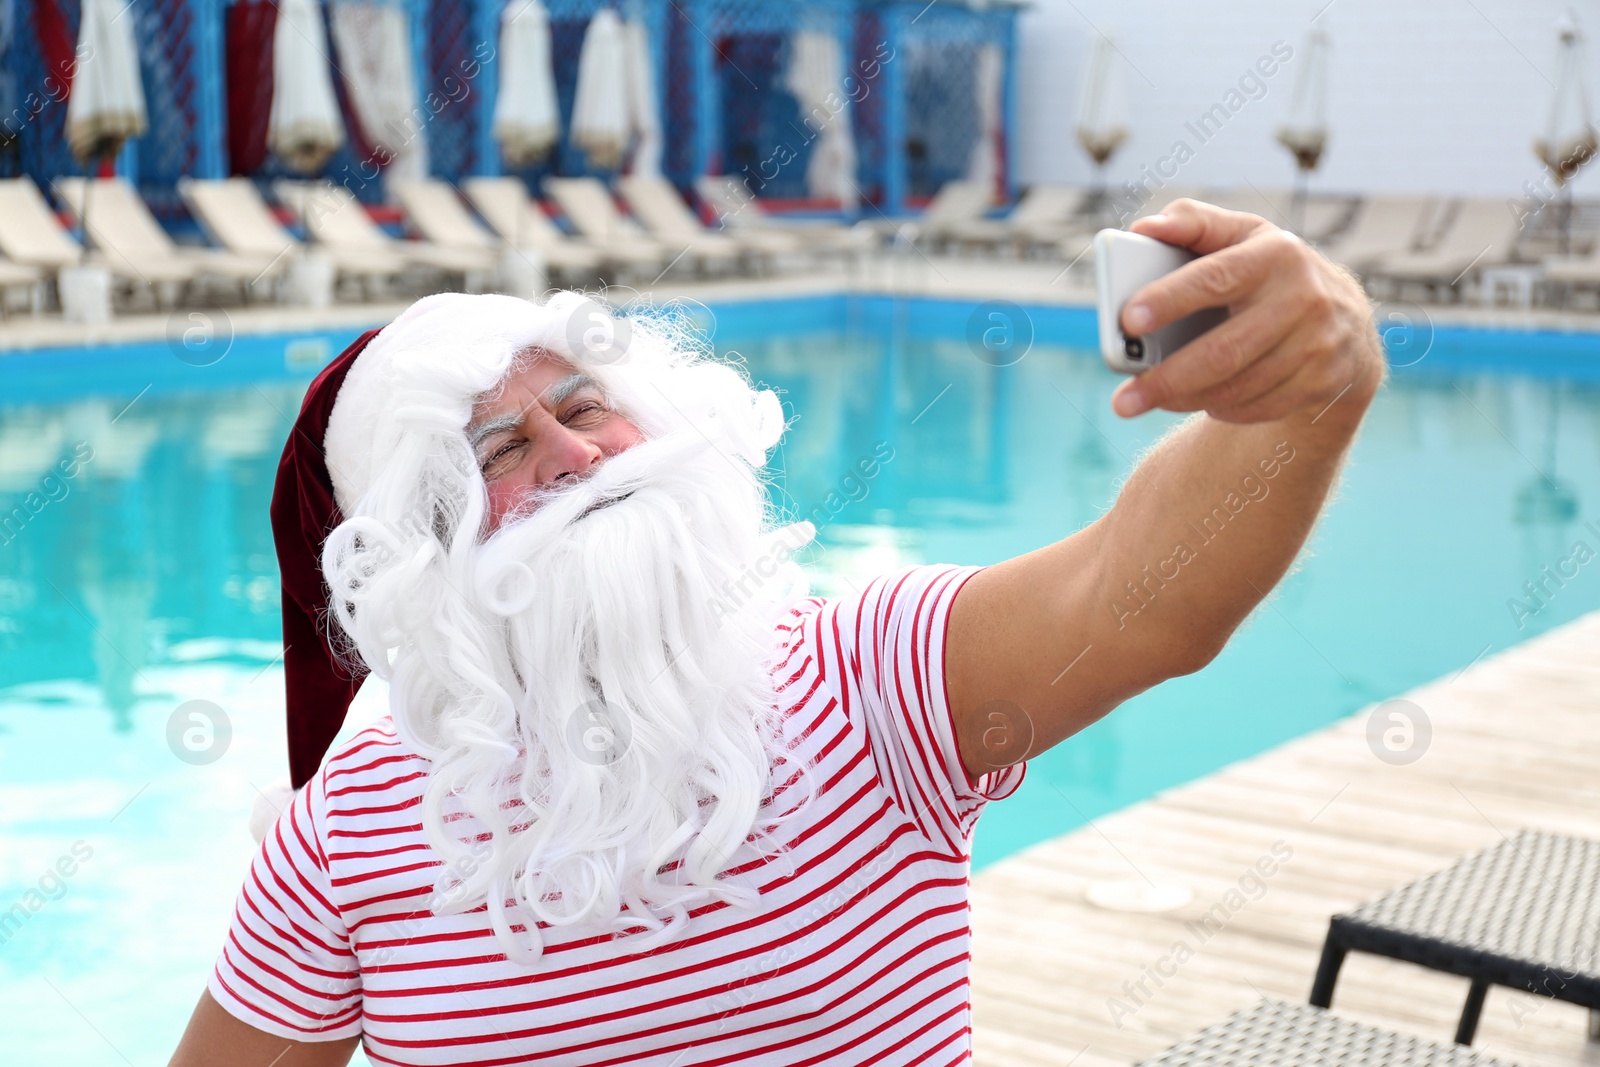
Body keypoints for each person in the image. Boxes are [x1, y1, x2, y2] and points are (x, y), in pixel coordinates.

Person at [170, 200, 1385, 1066]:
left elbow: (1140, 598)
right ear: (423, 545)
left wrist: (1307, 394)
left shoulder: (867, 675)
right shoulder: (348, 829)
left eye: (588, 405)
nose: (581, 453)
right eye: (504, 450)